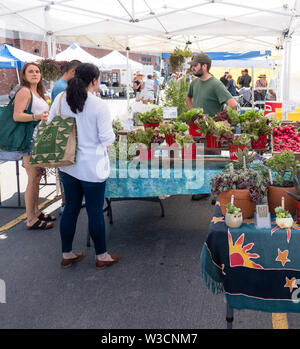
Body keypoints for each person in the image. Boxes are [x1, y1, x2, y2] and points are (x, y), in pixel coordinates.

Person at [48, 63, 119, 269]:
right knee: (95, 211)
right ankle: (101, 256)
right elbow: (107, 139)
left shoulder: (60, 99)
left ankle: (67, 253)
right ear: (95, 81)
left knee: (70, 208)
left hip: (67, 164)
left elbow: (51, 126)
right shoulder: (98, 105)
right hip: (93, 167)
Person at [186, 53, 237, 201]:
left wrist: (222, 122)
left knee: (214, 160)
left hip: (213, 132)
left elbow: (232, 104)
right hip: (197, 129)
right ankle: (204, 190)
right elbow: (188, 97)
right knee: (200, 159)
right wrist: (191, 112)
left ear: (204, 66)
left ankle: (217, 192)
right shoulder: (194, 83)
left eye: (195, 65)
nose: (192, 68)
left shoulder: (216, 84)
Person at [13, 63, 55, 229]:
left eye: (37, 71)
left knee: (37, 177)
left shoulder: (38, 92)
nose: (35, 74)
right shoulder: (24, 91)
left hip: (39, 140)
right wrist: (36, 116)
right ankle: (30, 218)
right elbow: (17, 116)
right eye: (31, 71)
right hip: (30, 140)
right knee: (33, 178)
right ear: (24, 75)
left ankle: (36, 212)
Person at [51, 59, 81, 213]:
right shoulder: (61, 88)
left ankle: (67, 203)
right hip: (64, 137)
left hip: (65, 136)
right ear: (73, 72)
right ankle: (65, 204)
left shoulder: (61, 86)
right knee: (64, 173)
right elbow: (60, 116)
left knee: (65, 173)